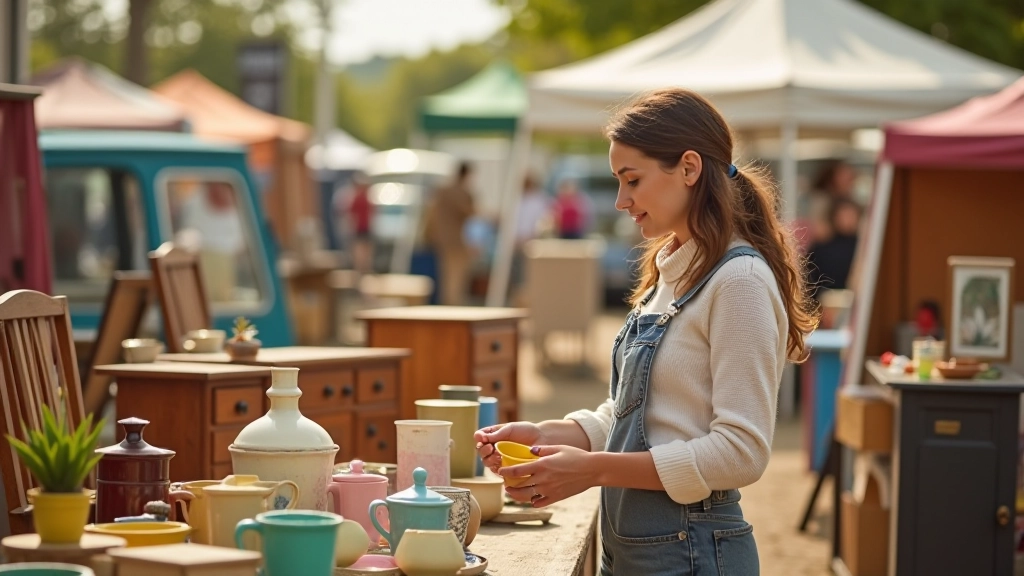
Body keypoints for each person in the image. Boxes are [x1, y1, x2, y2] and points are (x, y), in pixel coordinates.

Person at [475, 89, 818, 575]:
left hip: (694, 554)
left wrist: (592, 470)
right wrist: (552, 434)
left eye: (631, 179)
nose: (620, 200)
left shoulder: (739, 281)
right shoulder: (670, 268)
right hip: (640, 550)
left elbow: (741, 452)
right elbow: (639, 412)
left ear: (690, 168)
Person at [425, 161, 475, 305]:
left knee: (447, 279)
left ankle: (448, 308)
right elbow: (471, 212)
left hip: (442, 241)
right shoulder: (460, 193)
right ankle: (452, 309)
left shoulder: (442, 191)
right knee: (455, 281)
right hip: (455, 242)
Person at [806, 197, 861, 301]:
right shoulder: (822, 246)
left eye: (851, 215)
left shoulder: (862, 247)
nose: (847, 219)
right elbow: (810, 280)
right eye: (843, 215)